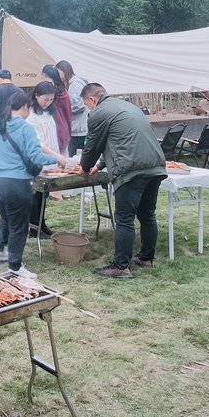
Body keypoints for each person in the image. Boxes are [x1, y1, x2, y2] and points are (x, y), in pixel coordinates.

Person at [80, 82, 168, 278]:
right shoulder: (129, 107)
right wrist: (99, 166)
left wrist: (85, 167)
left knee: (124, 219)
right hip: (155, 166)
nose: (88, 109)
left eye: (87, 104)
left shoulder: (99, 113)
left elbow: (92, 146)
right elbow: (122, 140)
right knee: (147, 214)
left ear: (92, 99)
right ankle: (146, 258)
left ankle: (121, 266)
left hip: (131, 170)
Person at [0, 92, 67, 278]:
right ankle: (15, 266)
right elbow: (35, 157)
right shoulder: (25, 128)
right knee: (19, 225)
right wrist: (57, 158)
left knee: (7, 217)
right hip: (16, 182)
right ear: (24, 107)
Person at [27, 81, 62, 239]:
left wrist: (57, 155)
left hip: (50, 159)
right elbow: (38, 142)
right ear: (36, 96)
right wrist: (55, 155)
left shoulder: (47, 113)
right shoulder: (30, 115)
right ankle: (34, 227)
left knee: (43, 194)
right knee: (36, 193)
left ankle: (41, 224)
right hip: (38, 160)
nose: (48, 102)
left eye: (51, 99)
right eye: (45, 99)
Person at [57, 61, 88, 155]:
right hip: (77, 128)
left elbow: (79, 104)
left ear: (65, 70)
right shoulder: (72, 84)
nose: (59, 76)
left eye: (59, 73)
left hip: (79, 129)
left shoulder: (75, 84)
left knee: (74, 157)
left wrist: (63, 108)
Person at [41, 64, 72, 157]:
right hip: (64, 128)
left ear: (44, 75)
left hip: (51, 129)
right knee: (64, 155)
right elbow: (68, 112)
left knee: (52, 156)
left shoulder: (46, 91)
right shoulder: (64, 91)